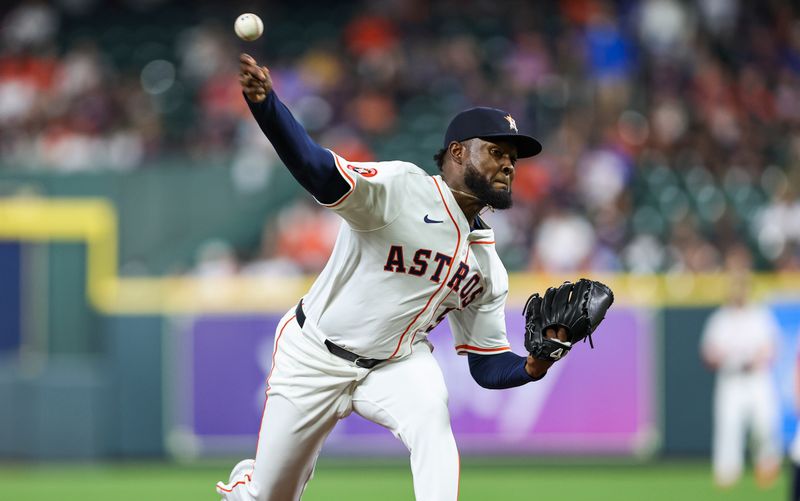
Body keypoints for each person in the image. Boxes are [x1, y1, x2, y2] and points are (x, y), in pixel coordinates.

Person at [215, 52, 572, 501]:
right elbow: (318, 171)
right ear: (458, 152)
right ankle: (250, 485)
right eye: (497, 152)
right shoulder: (402, 189)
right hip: (313, 355)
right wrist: (268, 107)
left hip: (396, 363)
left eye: (513, 159)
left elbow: (485, 362)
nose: (509, 165)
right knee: (271, 496)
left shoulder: (488, 268)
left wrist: (532, 366)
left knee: (432, 425)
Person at [699, 247, 781, 489]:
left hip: (756, 378)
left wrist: (754, 358)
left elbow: (771, 349)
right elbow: (708, 354)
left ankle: (767, 469)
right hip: (730, 378)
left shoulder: (760, 315)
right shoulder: (720, 318)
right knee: (728, 428)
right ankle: (727, 474)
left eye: (742, 285)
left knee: (765, 426)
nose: (739, 290)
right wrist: (723, 358)